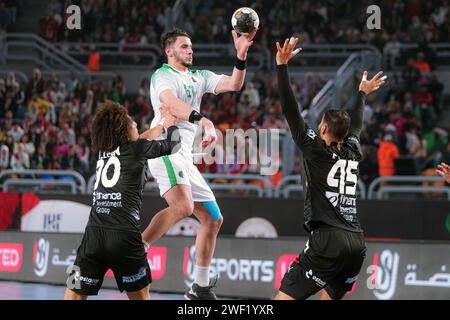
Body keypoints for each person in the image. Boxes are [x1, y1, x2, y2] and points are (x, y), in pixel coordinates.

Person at [142, 27, 257, 300]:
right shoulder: (162, 76)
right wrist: (202, 120)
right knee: (183, 207)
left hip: (184, 157)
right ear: (169, 51)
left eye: (191, 46)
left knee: (213, 219)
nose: (190, 50)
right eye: (183, 46)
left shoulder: (199, 76)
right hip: (166, 148)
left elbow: (234, 84)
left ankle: (200, 287)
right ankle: (138, 248)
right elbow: (171, 104)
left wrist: (240, 56)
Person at [274, 37, 384, 300]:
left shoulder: (315, 149)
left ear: (322, 128)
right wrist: (361, 94)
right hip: (356, 243)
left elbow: (290, 110)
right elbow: (356, 124)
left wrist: (282, 67)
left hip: (327, 241)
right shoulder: (353, 149)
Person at [64, 101, 180, 300]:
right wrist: (171, 125)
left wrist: (158, 128)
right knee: (141, 296)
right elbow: (173, 145)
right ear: (123, 131)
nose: (136, 125)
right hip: (124, 237)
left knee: (73, 294)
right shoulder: (138, 149)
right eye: (132, 124)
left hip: (93, 236)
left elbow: (136, 142)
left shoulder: (102, 152)